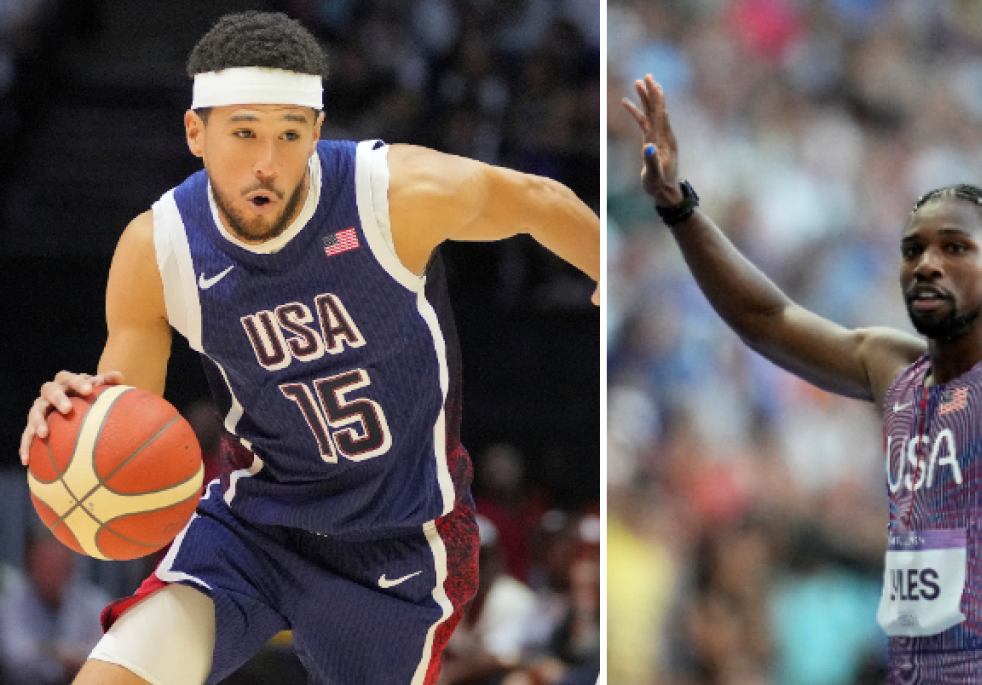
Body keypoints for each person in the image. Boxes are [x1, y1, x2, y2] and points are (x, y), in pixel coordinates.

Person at [17, 10, 599, 685]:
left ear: (317, 131)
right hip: (254, 526)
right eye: (243, 134)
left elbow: (533, 198)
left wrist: (607, 274)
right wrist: (77, 419)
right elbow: (125, 418)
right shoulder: (159, 249)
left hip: (399, 540)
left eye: (289, 134)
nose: (267, 162)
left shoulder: (392, 196)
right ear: (195, 132)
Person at [622, 0, 982, 681]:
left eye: (953, 247)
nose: (926, 263)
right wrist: (679, 206)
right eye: (913, 248)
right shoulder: (892, 367)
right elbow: (763, 319)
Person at [0, 527, 112, 685]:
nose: (52, 571)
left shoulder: (92, 601)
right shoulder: (11, 600)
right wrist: (62, 654)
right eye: (44, 563)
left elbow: (109, 657)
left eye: (59, 563)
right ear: (29, 565)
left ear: (71, 566)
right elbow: (15, 656)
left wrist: (45, 651)